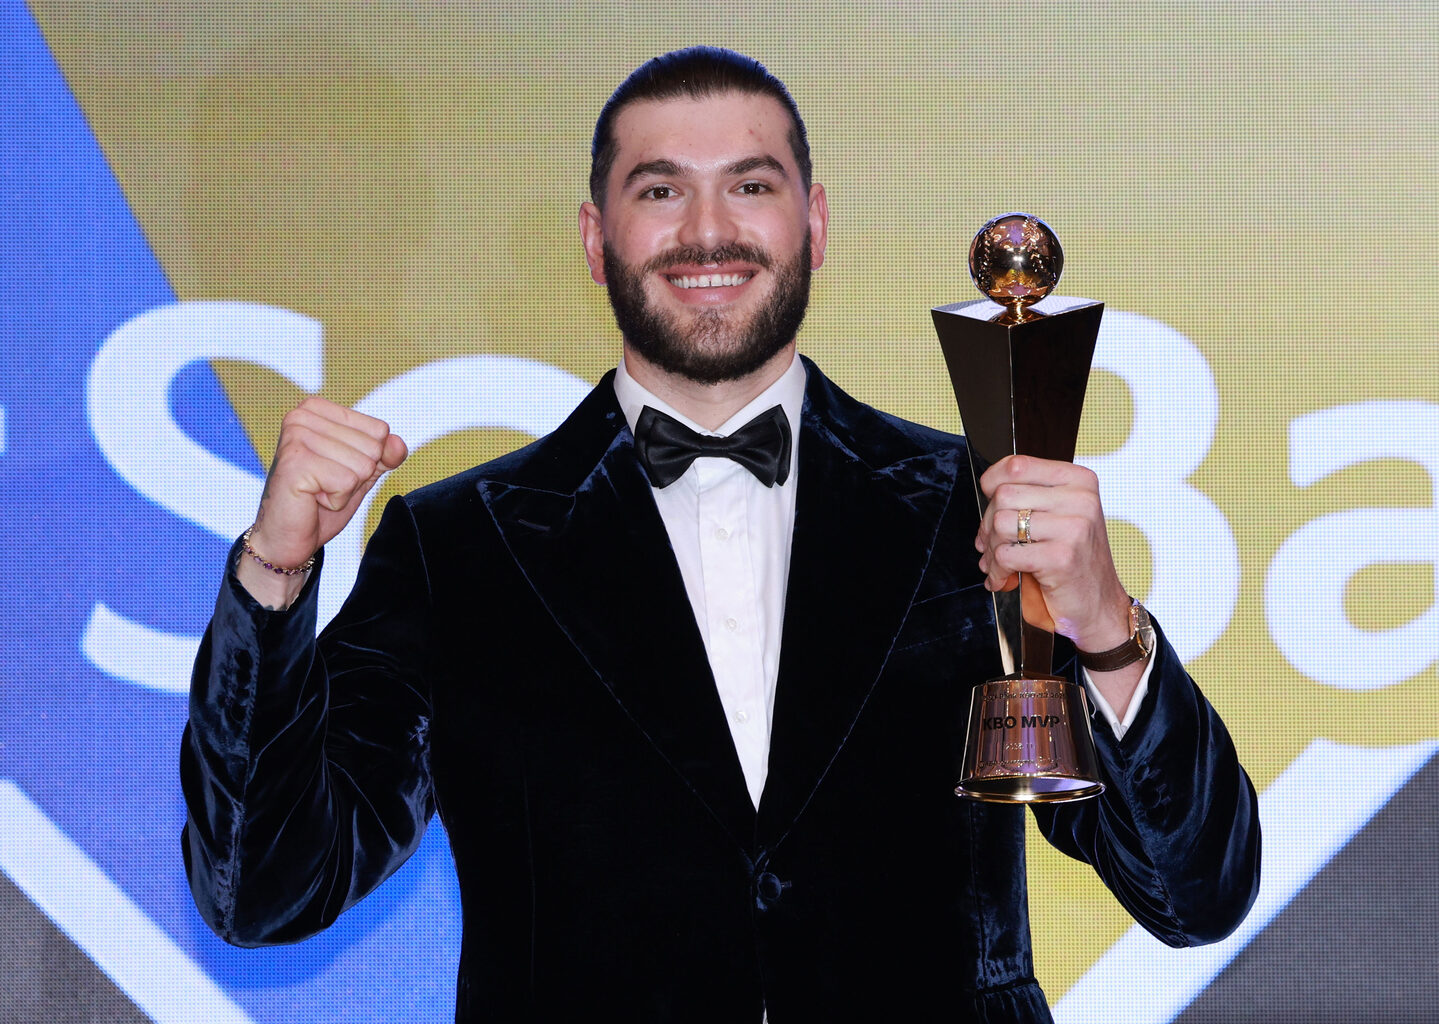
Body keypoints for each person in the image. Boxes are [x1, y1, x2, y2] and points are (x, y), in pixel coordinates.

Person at [182, 46, 1259, 1023]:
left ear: (815, 224)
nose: (707, 231)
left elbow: (1192, 892)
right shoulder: (457, 543)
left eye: (749, 185)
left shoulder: (965, 505)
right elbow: (262, 890)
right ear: (595, 240)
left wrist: (1109, 629)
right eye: (660, 191)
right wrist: (276, 571)